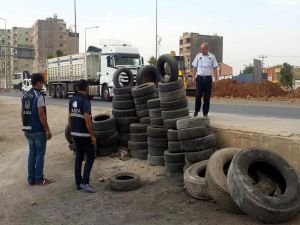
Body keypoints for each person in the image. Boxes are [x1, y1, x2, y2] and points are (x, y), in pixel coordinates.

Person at [21, 73, 53, 185]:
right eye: (42, 83)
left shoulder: (25, 95)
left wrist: (24, 126)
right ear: (38, 82)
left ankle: (31, 179)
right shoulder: (39, 96)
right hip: (38, 129)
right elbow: (41, 114)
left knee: (32, 153)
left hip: (28, 129)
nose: (43, 85)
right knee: (40, 153)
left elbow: (22, 113)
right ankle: (39, 178)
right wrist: (47, 129)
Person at [68, 79, 96, 193]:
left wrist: (72, 131)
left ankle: (78, 183)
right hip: (85, 135)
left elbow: (69, 118)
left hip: (75, 134)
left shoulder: (72, 100)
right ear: (86, 88)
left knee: (79, 158)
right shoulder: (85, 101)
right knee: (90, 157)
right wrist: (92, 135)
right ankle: (85, 182)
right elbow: (87, 119)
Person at [192, 42, 218, 117]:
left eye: (203, 49)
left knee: (207, 97)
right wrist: (193, 77)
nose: (202, 50)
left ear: (207, 49)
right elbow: (194, 67)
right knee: (197, 95)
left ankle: (205, 113)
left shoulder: (212, 57)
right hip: (199, 78)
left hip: (208, 79)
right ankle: (196, 110)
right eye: (201, 49)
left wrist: (216, 78)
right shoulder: (198, 56)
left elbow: (215, 68)